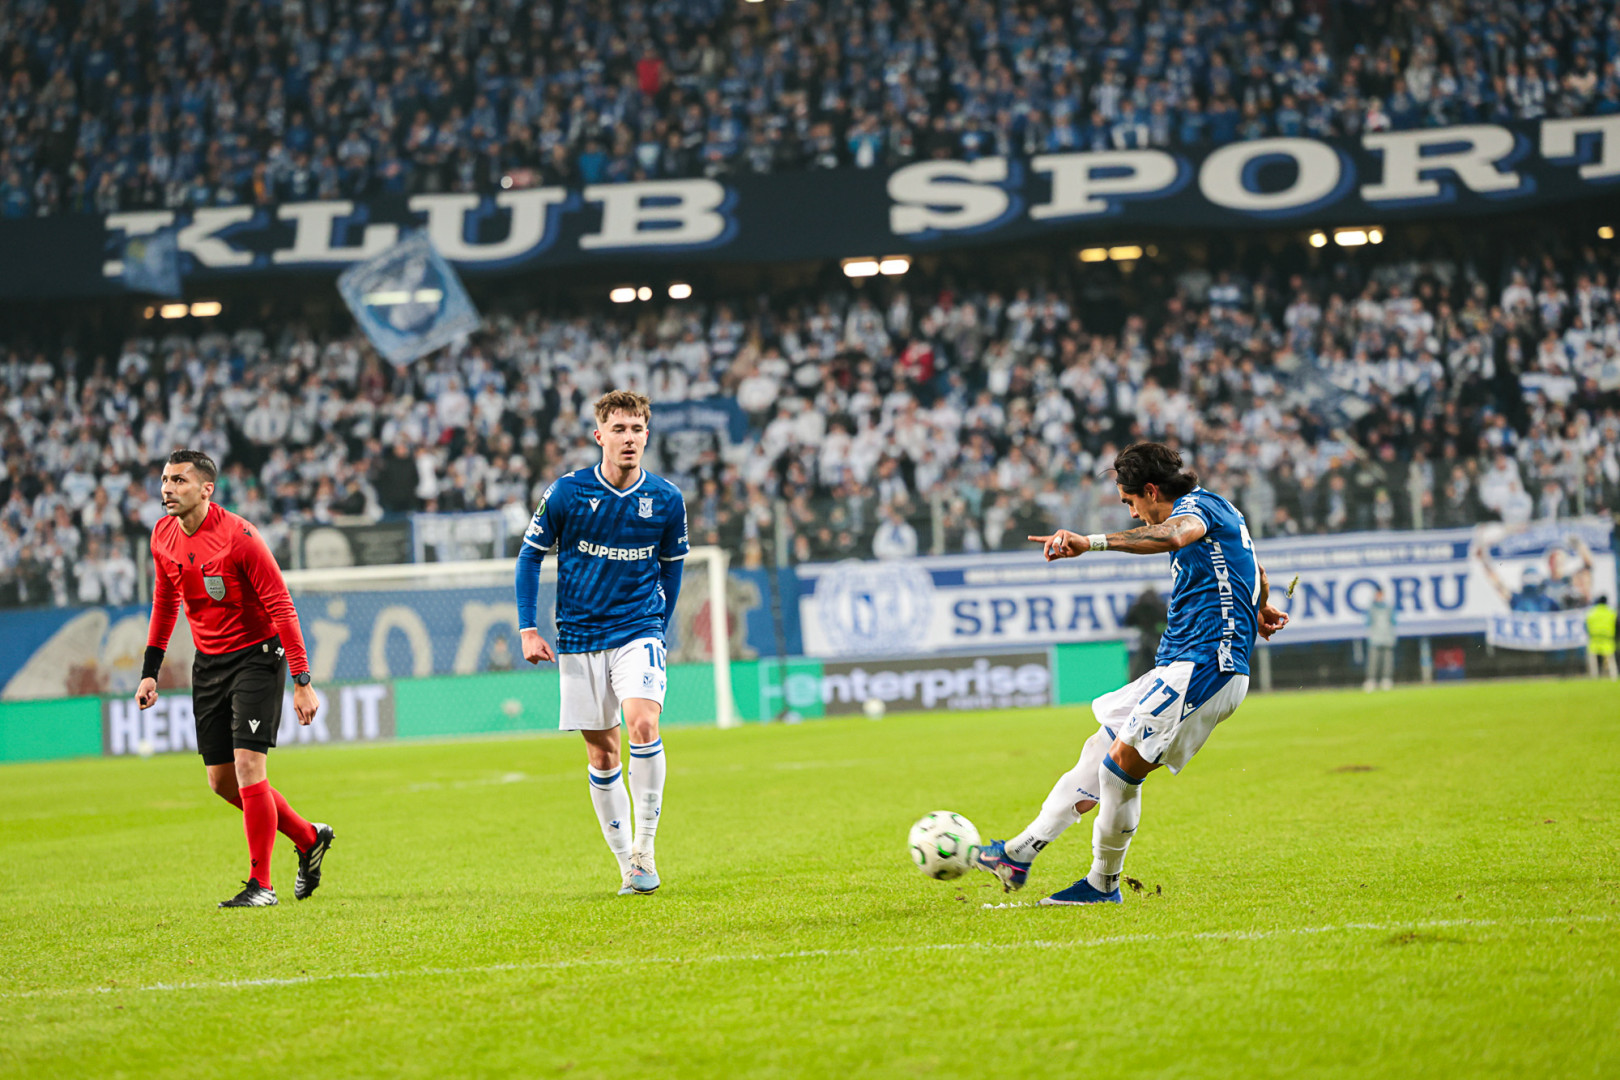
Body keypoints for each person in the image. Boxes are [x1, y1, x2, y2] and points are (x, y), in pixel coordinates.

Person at [974, 442, 1289, 905]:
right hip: (1181, 664)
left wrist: (1091, 541)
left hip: (1206, 667)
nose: (1134, 513)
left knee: (1119, 770)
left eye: (1130, 502)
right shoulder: (1222, 509)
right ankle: (1017, 854)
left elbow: (1174, 535)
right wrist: (1259, 608)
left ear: (1151, 490)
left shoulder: (1193, 511)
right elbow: (1255, 567)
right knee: (1098, 750)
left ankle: (1102, 885)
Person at [136, 450, 334, 908]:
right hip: (208, 663)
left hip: (257, 656)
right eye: (165, 479)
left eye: (179, 480)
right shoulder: (162, 535)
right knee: (223, 781)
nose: (167, 488)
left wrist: (302, 679)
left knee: (249, 767)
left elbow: (282, 606)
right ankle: (309, 837)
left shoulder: (240, 537)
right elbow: (165, 602)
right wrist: (149, 672)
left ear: (206, 489)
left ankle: (261, 885)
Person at [515, 391, 688, 895]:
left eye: (636, 429)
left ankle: (646, 849)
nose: (628, 438)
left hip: (638, 628)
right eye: (619, 429)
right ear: (599, 436)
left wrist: (658, 626)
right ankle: (625, 862)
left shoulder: (667, 499)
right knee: (602, 754)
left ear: (646, 436)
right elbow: (530, 557)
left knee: (643, 723)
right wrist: (528, 628)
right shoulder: (567, 493)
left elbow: (672, 569)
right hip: (580, 635)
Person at [1121, 585, 1168, 680]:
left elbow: (1128, 621)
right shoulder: (1158, 606)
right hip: (1147, 638)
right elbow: (1129, 621)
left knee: (1149, 659)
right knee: (1146, 660)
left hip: (1153, 637)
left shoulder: (1142, 606)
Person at [1364, 586, 1396, 691]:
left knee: (1387, 660)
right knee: (1373, 661)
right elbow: (1368, 622)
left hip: (1387, 637)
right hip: (1375, 638)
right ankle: (1371, 680)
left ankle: (1386, 680)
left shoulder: (1388, 608)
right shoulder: (1371, 609)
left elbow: (1393, 621)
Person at [1588, 596, 1617, 680]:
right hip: (1607, 638)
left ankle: (1594, 676)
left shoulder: (1592, 612)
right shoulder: (1611, 612)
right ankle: (1614, 676)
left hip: (1595, 638)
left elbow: (1587, 624)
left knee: (1593, 658)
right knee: (1610, 658)